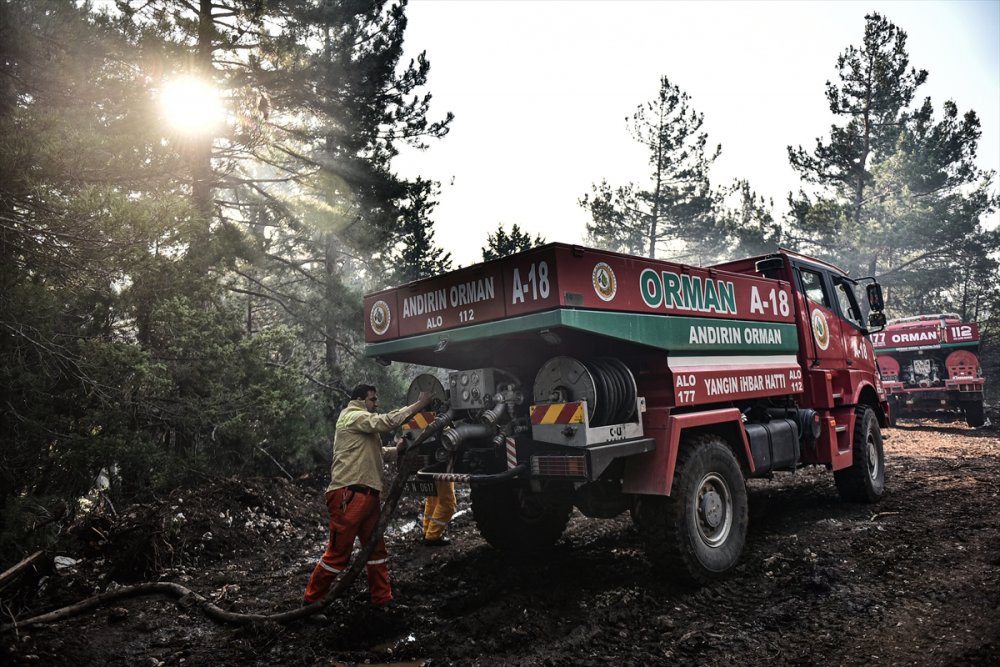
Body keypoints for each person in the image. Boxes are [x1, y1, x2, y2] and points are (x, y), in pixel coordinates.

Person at [303, 384, 431, 608]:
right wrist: (419, 404)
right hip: (349, 494)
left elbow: (378, 453)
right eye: (373, 399)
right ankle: (311, 601)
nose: (376, 403)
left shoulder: (361, 425)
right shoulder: (353, 416)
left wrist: (398, 450)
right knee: (338, 555)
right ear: (361, 400)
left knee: (376, 549)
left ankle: (382, 599)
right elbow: (386, 422)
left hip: (368, 494)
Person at [422, 481, 456, 546]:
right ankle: (432, 536)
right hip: (441, 476)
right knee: (447, 504)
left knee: (433, 501)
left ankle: (427, 531)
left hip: (431, 475)